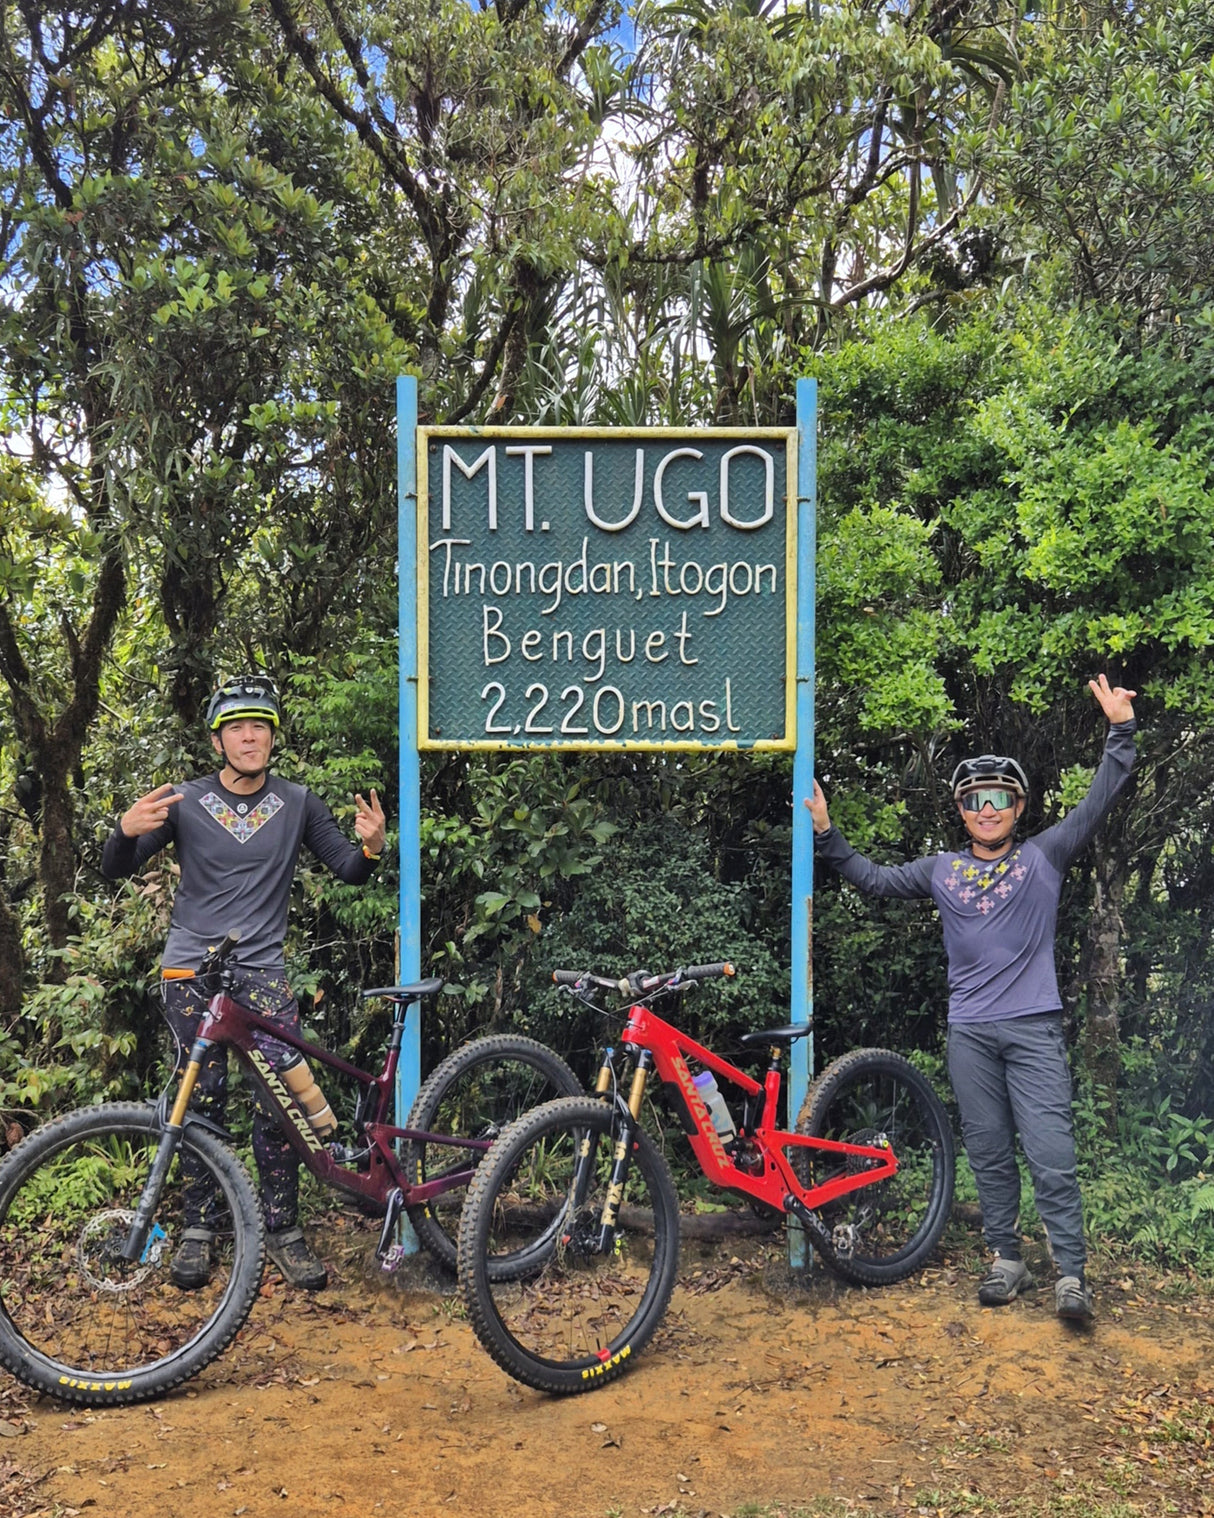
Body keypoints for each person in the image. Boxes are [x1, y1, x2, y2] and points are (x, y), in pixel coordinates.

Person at [806, 675, 1137, 1323]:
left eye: (998, 797)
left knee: (1051, 1154)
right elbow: (871, 879)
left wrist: (1119, 732)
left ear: (1017, 807)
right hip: (971, 1036)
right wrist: (826, 831)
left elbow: (1098, 802)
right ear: (961, 809)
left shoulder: (1045, 855)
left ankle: (1070, 1275)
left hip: (1033, 1030)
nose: (987, 808)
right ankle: (1005, 1259)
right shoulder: (941, 871)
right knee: (986, 1152)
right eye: (974, 798)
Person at [101, 674, 386, 1291]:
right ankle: (202, 1229)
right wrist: (122, 832)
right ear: (218, 739)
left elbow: (348, 869)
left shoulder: (299, 803)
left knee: (280, 1104)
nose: (250, 736)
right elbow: (115, 870)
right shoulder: (185, 800)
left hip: (262, 973)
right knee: (198, 1101)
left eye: (260, 725)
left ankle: (283, 1229)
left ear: (273, 736)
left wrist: (372, 848)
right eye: (237, 727)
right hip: (189, 973)